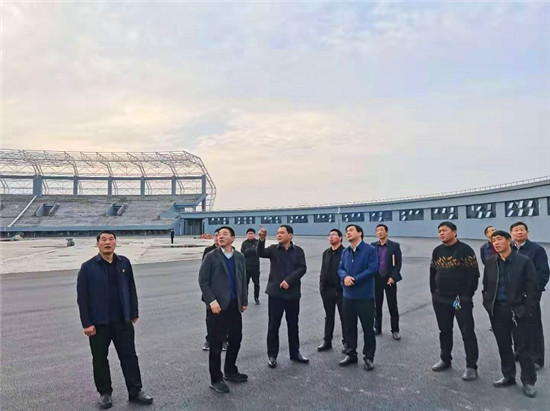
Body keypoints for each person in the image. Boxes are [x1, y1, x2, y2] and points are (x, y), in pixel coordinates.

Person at [77, 230, 153, 409]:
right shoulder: (87, 267)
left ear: (115, 243)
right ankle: (105, 393)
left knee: (129, 357)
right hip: (99, 323)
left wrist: (133, 312)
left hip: (122, 321)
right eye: (103, 239)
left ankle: (135, 391)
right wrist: (86, 323)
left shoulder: (124, 263)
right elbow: (82, 298)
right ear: (98, 244)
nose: (107, 242)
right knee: (100, 359)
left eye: (111, 239)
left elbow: (131, 288)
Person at [482, 230, 539, 398]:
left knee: (523, 348)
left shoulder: (523, 261)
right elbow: (486, 285)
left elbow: (533, 287)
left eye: (499, 239)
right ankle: (508, 376)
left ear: (509, 241)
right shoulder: (491, 262)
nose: (496, 243)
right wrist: (487, 302)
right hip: (497, 310)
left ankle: (528, 381)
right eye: (493, 240)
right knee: (504, 345)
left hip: (518, 310)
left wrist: (526, 309)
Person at [199, 226, 248, 394]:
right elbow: (203, 281)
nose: (220, 236)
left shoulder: (240, 257)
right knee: (216, 343)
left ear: (232, 238)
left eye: (224, 234)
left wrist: (243, 300)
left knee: (236, 338)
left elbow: (242, 279)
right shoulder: (211, 256)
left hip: (234, 305)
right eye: (219, 234)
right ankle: (216, 379)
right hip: (216, 307)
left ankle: (230, 370)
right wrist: (211, 301)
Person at [429, 221, 479, 381]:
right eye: (439, 231)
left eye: (444, 230)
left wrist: (466, 295)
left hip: (458, 299)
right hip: (440, 298)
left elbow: (473, 274)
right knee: (444, 330)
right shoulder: (437, 251)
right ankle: (445, 359)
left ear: (454, 232)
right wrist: (434, 293)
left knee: (467, 332)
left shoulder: (465, 250)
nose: (441, 233)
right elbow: (432, 272)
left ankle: (471, 366)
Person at [258, 224, 308, 368]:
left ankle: (295, 353)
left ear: (290, 235)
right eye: (277, 233)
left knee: (293, 325)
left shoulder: (298, 251)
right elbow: (260, 253)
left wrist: (289, 281)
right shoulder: (273, 249)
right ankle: (272, 355)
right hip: (276, 294)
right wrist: (261, 239)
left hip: (292, 294)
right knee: (273, 325)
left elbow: (302, 268)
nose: (278, 235)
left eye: (282, 233)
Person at [338, 224, 378, 371]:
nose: (348, 233)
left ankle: (368, 357)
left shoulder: (370, 250)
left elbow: (372, 269)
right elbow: (340, 268)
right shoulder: (345, 252)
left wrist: (354, 279)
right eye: (346, 231)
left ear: (360, 233)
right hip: (348, 296)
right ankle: (351, 354)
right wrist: (345, 277)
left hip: (365, 297)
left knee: (368, 328)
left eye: (351, 230)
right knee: (349, 327)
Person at [510, 222, 549, 370]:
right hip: (513, 294)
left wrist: (534, 291)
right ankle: (519, 351)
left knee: (533, 326)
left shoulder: (536, 250)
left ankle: (537, 358)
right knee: (516, 324)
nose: (519, 232)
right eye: (516, 230)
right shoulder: (510, 249)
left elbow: (543, 272)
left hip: (530, 294)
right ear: (511, 234)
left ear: (527, 232)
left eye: (521, 230)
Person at [371, 224, 402, 340]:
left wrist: (393, 277)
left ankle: (395, 330)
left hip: (389, 280)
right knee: (377, 305)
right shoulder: (373, 246)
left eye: (381, 230)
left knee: (392, 305)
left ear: (386, 232)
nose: (379, 232)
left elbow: (398, 264)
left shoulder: (394, 246)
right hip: (377, 279)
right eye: (377, 230)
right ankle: (377, 327)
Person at [317, 228, 346, 352]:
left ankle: (347, 343)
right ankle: (327, 341)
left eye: (334, 235)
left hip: (341, 290)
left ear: (340, 238)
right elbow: (323, 270)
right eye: (330, 235)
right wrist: (321, 286)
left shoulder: (346, 252)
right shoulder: (326, 253)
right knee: (329, 316)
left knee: (345, 317)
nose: (331, 237)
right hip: (327, 290)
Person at [202, 229, 227, 351]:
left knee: (224, 317)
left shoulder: (229, 251)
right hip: (211, 291)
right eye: (216, 235)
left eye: (220, 235)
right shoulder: (208, 251)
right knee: (210, 319)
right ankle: (209, 339)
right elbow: (204, 272)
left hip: (225, 291)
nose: (218, 237)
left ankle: (224, 340)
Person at [241, 228, 261, 305]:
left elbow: (257, 251)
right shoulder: (244, 243)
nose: (250, 235)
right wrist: (252, 250)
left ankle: (256, 298)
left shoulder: (257, 242)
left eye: (251, 233)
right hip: (246, 267)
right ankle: (245, 298)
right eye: (249, 233)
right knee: (245, 284)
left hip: (255, 267)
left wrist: (248, 250)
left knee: (256, 283)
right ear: (246, 235)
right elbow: (243, 253)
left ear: (254, 234)